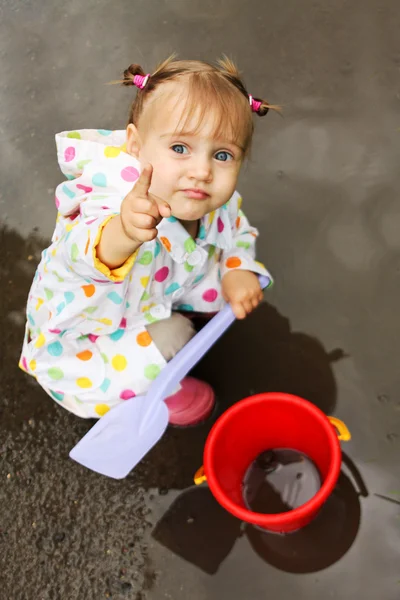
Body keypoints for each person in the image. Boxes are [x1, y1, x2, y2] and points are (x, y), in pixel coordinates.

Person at [19, 55, 276, 425]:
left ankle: (184, 303)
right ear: (136, 146)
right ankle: (155, 391)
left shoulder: (207, 201)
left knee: (226, 289)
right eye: (180, 148)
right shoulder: (109, 201)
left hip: (159, 286)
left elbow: (236, 230)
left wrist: (237, 267)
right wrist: (122, 232)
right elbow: (80, 254)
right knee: (179, 332)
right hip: (96, 332)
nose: (201, 171)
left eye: (222, 155)